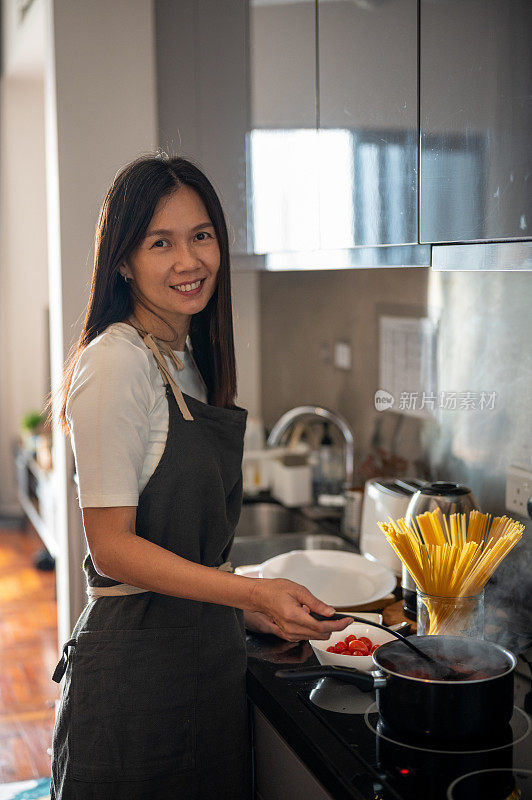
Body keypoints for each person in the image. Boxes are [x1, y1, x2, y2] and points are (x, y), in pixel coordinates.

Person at [49, 154, 352, 799]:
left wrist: (248, 613)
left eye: (201, 235)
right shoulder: (115, 363)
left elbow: (184, 549)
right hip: (137, 687)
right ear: (123, 262)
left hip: (201, 667)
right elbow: (113, 548)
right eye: (161, 242)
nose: (189, 261)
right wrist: (252, 595)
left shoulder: (185, 357)